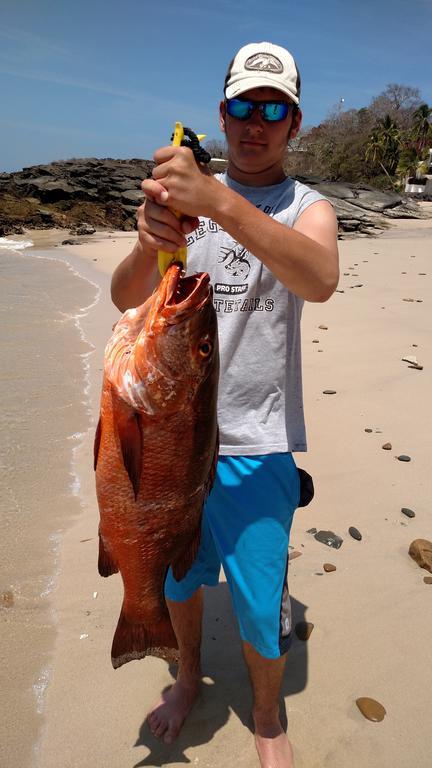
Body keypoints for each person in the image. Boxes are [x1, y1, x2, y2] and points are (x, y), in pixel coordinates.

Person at [111, 41, 339, 768]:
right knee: (178, 579)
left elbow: (318, 276)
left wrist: (219, 201)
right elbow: (125, 297)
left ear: (294, 123)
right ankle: (184, 677)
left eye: (273, 109)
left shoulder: (308, 208)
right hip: (176, 440)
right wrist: (152, 240)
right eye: (244, 105)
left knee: (258, 605)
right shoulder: (184, 205)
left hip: (258, 446)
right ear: (223, 113)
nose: (256, 122)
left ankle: (266, 719)